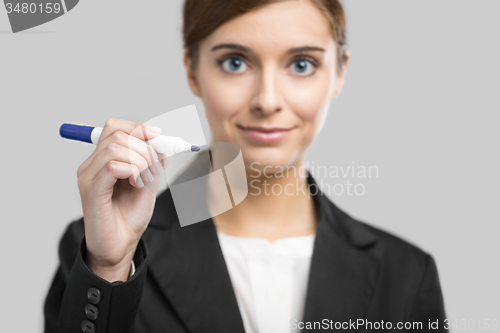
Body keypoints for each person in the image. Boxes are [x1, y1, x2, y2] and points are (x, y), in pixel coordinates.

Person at [44, 0, 448, 332]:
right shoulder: (100, 252)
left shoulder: (406, 275)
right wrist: (111, 268)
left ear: (340, 70)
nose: (267, 100)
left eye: (302, 64)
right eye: (235, 62)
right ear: (192, 70)